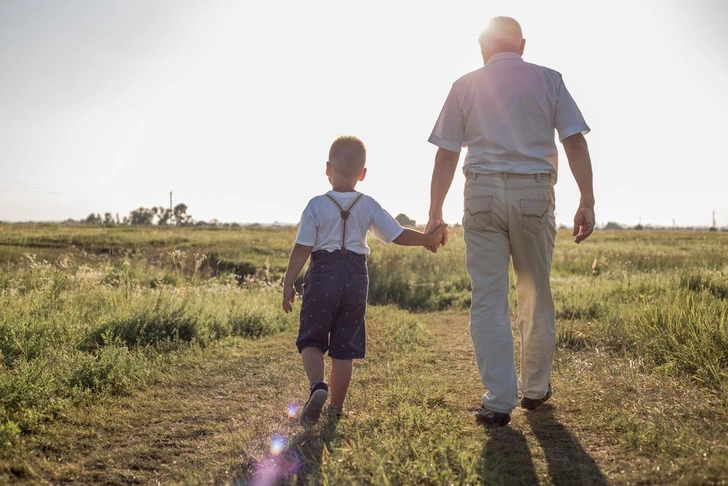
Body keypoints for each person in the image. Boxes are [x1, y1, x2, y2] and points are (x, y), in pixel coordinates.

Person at [425, 16, 595, 426]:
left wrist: (435, 212)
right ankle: (535, 391)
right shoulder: (549, 80)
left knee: (488, 298)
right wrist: (587, 200)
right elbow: (573, 140)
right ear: (521, 45)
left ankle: (499, 400)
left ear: (483, 48)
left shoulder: (464, 85)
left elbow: (447, 153)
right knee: (534, 293)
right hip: (534, 191)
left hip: (481, 192)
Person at [282, 135, 446, 428]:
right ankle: (336, 409)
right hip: (356, 277)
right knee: (345, 346)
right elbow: (396, 234)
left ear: (327, 168)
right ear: (363, 173)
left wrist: (287, 283)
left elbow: (303, 247)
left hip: (322, 275)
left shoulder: (316, 205)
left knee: (311, 337)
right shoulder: (368, 204)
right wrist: (427, 240)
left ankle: (317, 386)